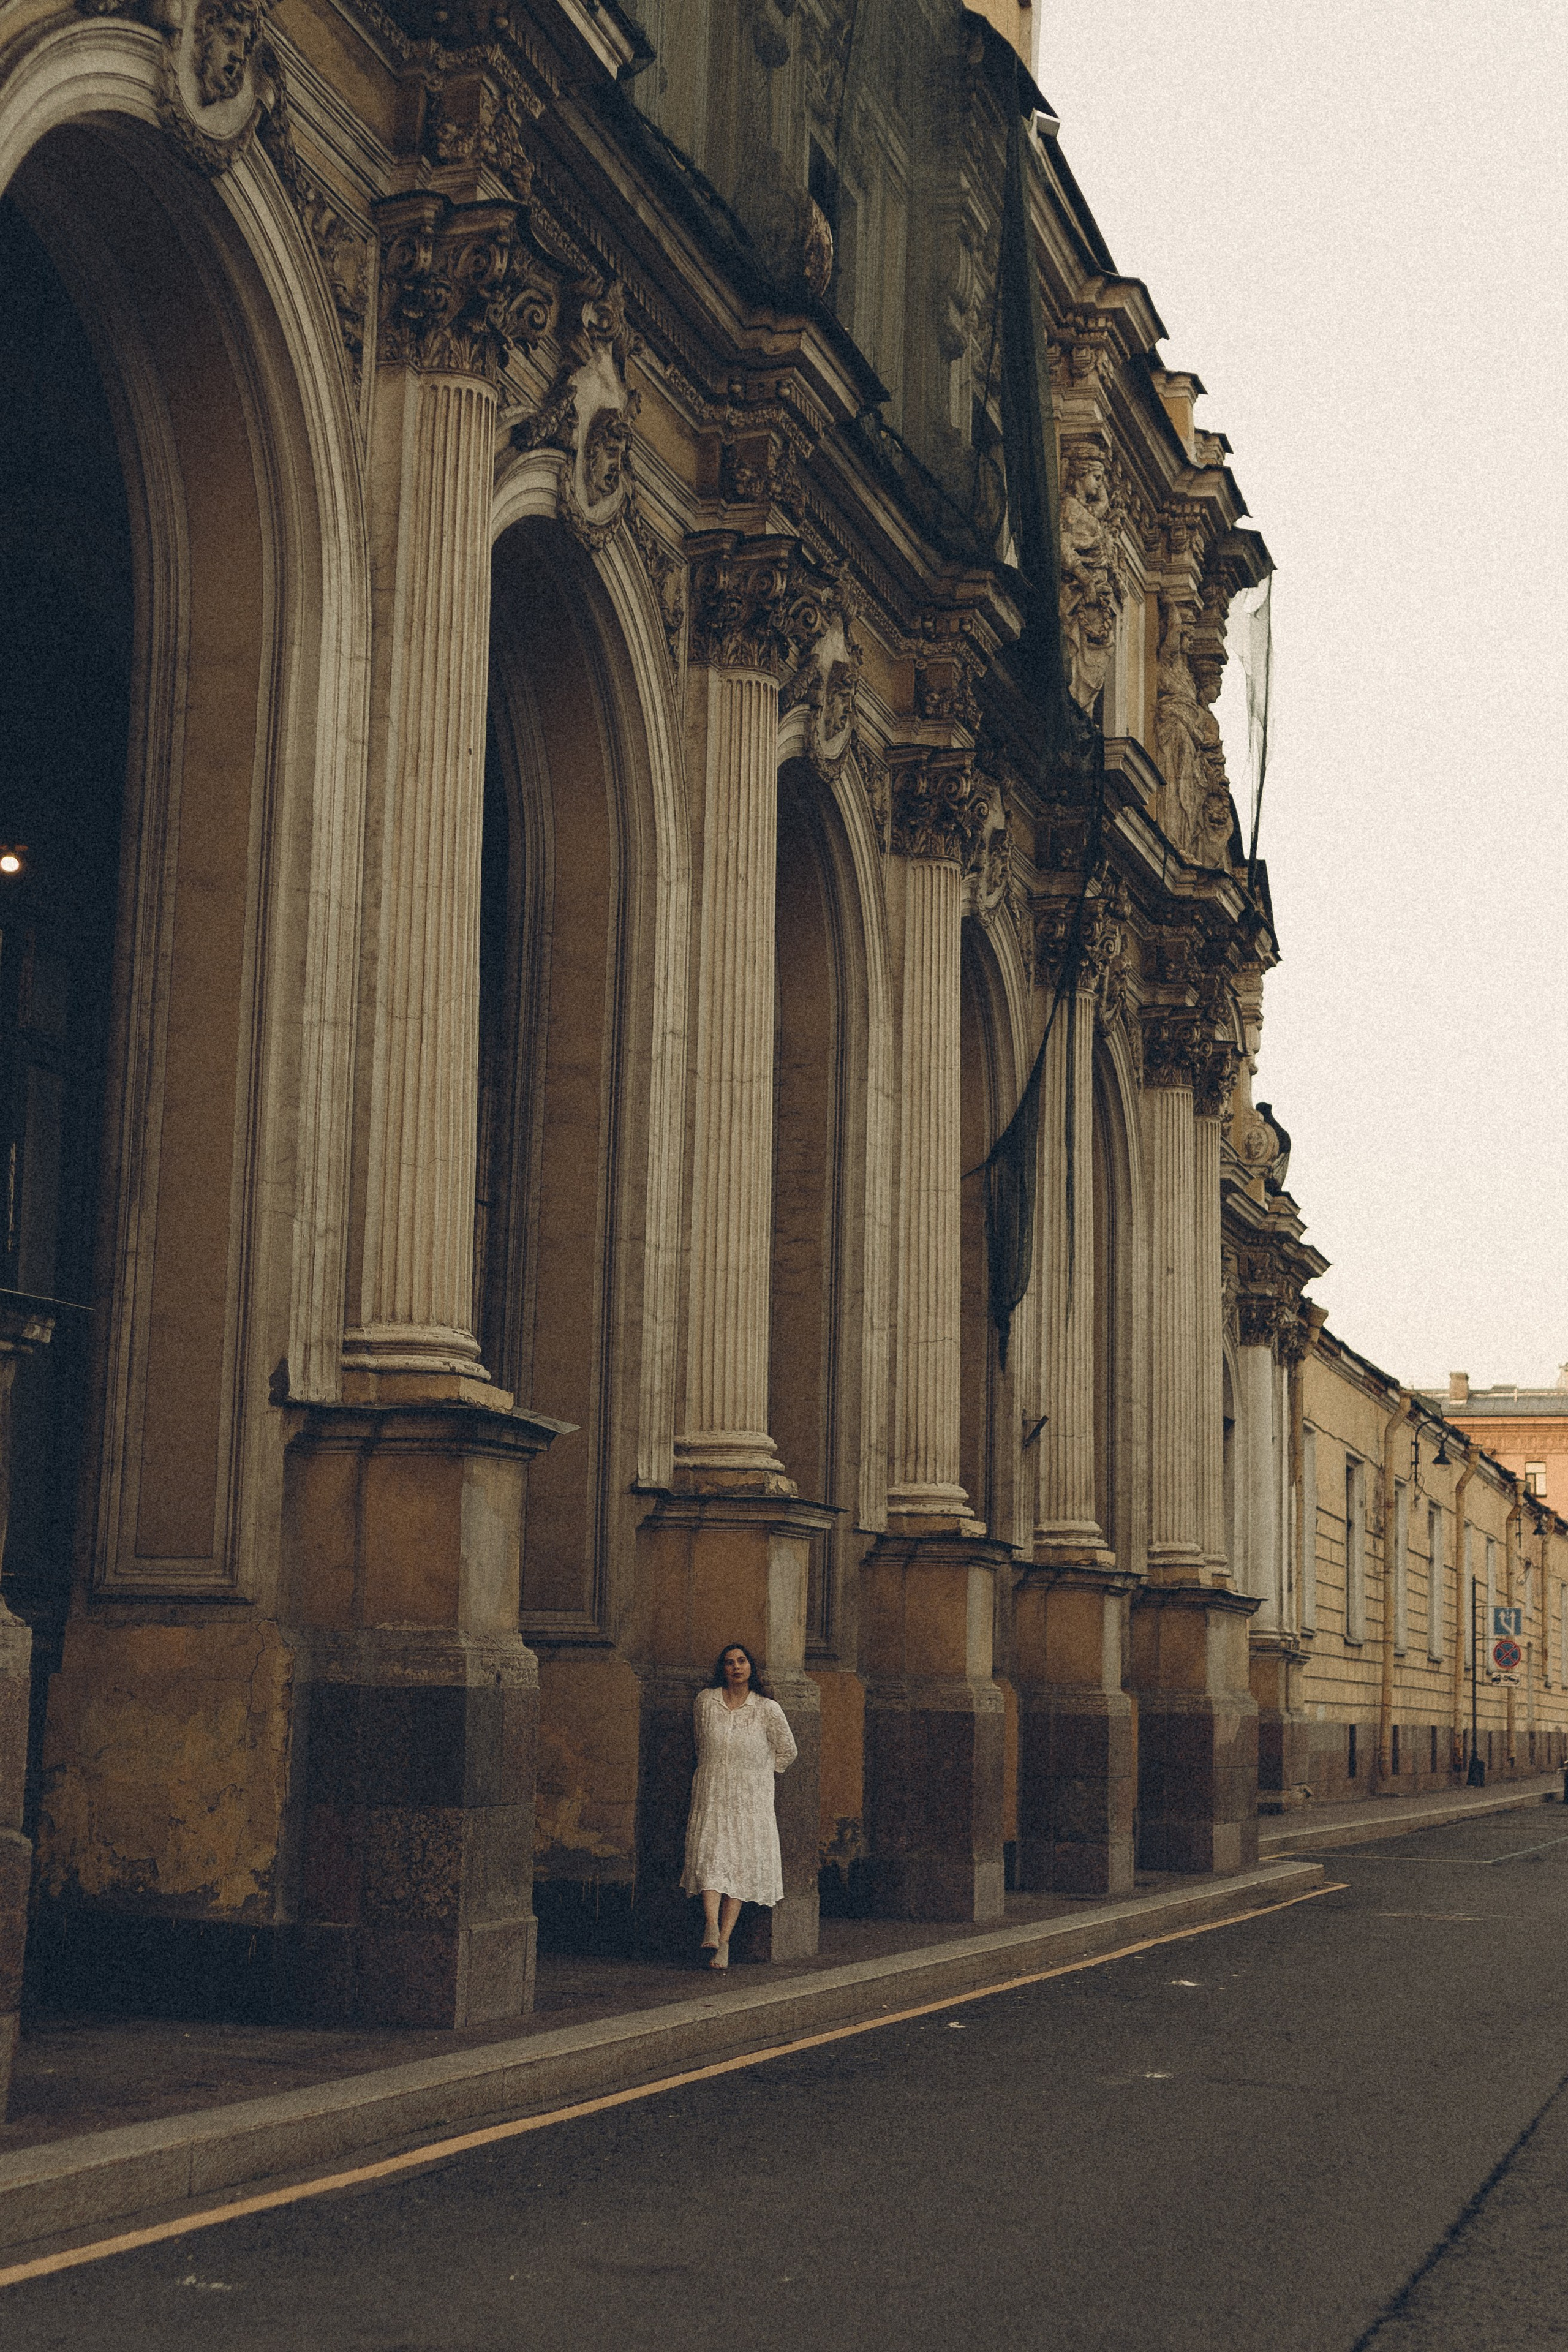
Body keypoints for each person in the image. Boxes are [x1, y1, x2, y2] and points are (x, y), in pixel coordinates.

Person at [680, 1643, 797, 1969]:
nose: (737, 1667)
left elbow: (788, 1751)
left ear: (751, 1668)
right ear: (723, 1669)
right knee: (710, 1856)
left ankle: (725, 1943)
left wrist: (758, 1773)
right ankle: (711, 1925)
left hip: (750, 1800)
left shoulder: (767, 1709)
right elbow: (700, 1743)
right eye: (730, 1663)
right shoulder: (706, 1701)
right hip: (713, 1793)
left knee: (740, 1866)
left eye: (742, 1661)